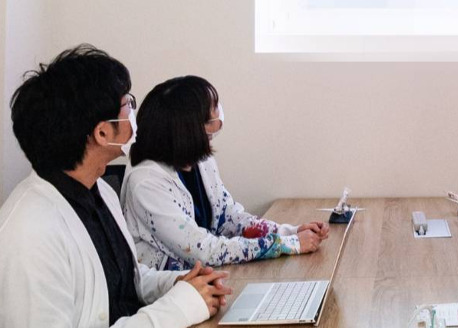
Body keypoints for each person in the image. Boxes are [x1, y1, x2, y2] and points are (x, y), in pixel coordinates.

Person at [0, 45, 231, 327]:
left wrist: (178, 283)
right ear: (102, 132)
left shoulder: (100, 191)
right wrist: (182, 305)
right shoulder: (30, 234)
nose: (134, 112)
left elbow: (126, 283)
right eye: (127, 104)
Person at [121, 75, 330, 270]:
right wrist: (288, 244)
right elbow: (203, 251)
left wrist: (289, 231)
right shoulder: (146, 183)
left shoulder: (200, 161)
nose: (218, 116)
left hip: (209, 278)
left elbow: (228, 217)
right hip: (173, 289)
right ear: (187, 127)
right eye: (211, 111)